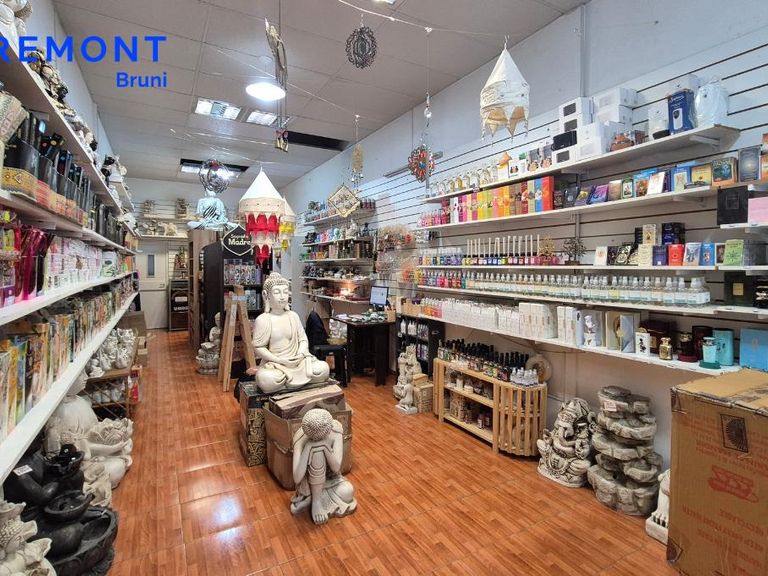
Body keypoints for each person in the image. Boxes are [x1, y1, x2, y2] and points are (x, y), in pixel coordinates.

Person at [251, 273, 330, 393]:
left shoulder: (293, 316)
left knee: (323, 368)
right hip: (276, 364)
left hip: (299, 361)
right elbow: (258, 347)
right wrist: (279, 360)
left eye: (285, 292)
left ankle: (288, 385)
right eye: (277, 292)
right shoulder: (263, 319)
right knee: (266, 379)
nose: (282, 297)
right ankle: (294, 384)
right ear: (266, 295)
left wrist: (300, 353)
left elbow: (303, 339)